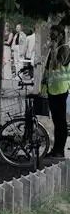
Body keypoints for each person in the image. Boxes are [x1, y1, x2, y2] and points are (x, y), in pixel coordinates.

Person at [41, 30, 70, 159]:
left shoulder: (65, 49)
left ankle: (60, 150)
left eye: (54, 35)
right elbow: (47, 70)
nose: (51, 37)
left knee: (61, 122)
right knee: (56, 121)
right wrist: (43, 86)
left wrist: (53, 50)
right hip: (52, 90)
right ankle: (55, 150)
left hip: (61, 90)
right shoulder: (54, 49)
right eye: (51, 34)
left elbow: (56, 66)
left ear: (61, 36)